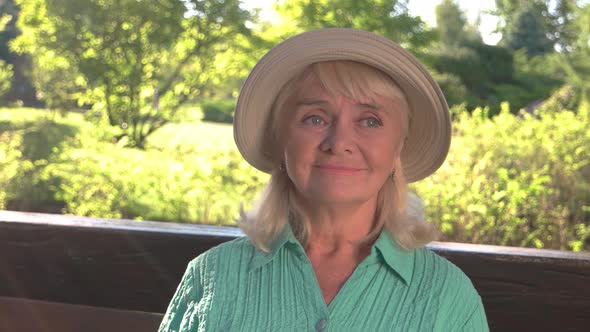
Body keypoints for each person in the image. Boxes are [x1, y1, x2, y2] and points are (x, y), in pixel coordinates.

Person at [159, 28, 489, 331]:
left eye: (370, 121)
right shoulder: (212, 276)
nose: (338, 141)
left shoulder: (448, 297)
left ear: (398, 147)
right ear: (282, 140)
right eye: (315, 118)